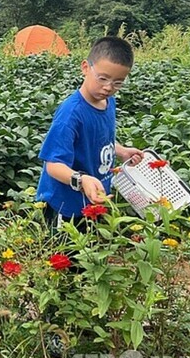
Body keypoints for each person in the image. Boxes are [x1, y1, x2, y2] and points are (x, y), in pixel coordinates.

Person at [36, 36, 143, 230]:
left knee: (90, 245)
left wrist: (121, 151)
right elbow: (53, 165)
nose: (108, 87)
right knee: (65, 248)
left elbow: (99, 141)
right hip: (65, 205)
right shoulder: (71, 114)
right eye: (103, 78)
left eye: (118, 82)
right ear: (85, 68)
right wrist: (81, 179)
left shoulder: (108, 102)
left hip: (93, 198)